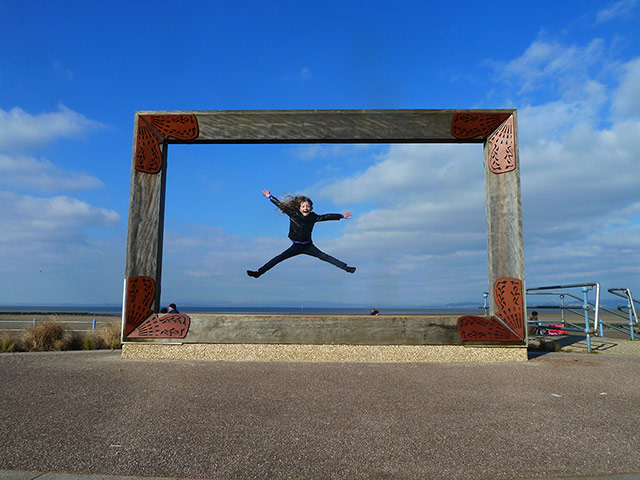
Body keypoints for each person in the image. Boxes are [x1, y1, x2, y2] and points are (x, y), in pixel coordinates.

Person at [247, 189, 356, 278]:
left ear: (311, 208)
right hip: (296, 246)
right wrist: (270, 197)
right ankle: (258, 273)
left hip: (308, 246)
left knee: (325, 257)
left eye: (308, 206)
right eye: (303, 206)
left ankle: (347, 268)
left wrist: (341, 216)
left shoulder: (313, 217)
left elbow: (326, 216)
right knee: (278, 259)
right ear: (299, 208)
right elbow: (281, 206)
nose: (305, 208)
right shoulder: (293, 214)